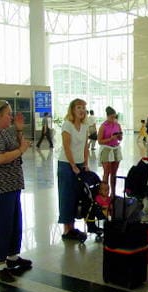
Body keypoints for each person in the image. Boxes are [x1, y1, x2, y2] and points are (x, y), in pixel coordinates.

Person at [0, 100, 32, 283]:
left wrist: (18, 130)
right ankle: (1, 266)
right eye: (8, 114)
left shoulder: (6, 131)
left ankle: (12, 257)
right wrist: (21, 150)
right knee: (1, 227)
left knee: (14, 224)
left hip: (12, 186)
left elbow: (18, 144)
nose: (11, 116)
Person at [58, 98, 89, 241]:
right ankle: (66, 229)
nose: (82, 110)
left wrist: (85, 164)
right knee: (66, 196)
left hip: (80, 164)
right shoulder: (67, 125)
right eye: (78, 107)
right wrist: (72, 165)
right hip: (66, 165)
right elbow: (66, 146)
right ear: (72, 110)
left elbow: (85, 147)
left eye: (83, 107)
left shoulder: (85, 127)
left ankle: (72, 227)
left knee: (77, 196)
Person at [98, 106, 123, 196]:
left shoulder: (117, 125)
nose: (113, 119)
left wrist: (119, 137)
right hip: (106, 150)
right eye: (111, 117)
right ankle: (104, 193)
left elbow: (120, 138)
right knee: (106, 172)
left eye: (114, 117)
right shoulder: (103, 126)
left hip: (116, 149)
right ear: (107, 116)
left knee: (114, 173)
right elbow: (100, 141)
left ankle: (113, 192)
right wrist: (110, 139)